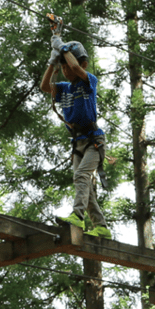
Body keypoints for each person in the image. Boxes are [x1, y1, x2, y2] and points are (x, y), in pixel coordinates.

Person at [40, 19, 111, 239]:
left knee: (82, 176)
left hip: (93, 141)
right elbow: (44, 86)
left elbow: (75, 67)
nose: (64, 69)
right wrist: (53, 61)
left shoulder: (88, 81)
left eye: (65, 65)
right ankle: (101, 226)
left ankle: (78, 216)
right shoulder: (63, 88)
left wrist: (61, 45)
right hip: (77, 143)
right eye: (61, 67)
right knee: (83, 185)